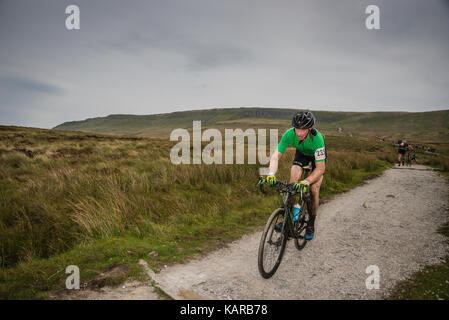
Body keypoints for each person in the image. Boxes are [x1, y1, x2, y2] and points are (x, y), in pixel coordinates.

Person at [263, 110, 326, 240]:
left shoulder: (318, 138)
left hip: (316, 159)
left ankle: (311, 224)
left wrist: (306, 181)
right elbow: (276, 156)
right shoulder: (289, 134)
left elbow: (320, 169)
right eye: (297, 129)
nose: (299, 133)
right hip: (301, 154)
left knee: (314, 190)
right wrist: (270, 174)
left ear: (310, 128)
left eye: (303, 130)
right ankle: (287, 219)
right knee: (292, 184)